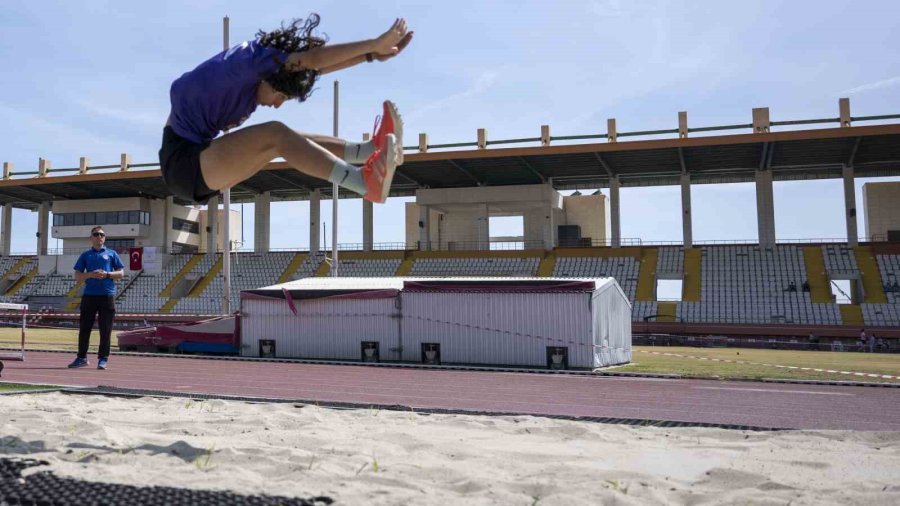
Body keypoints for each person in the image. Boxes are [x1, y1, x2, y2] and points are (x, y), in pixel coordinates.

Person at [159, 15, 413, 207]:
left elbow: (311, 67)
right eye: (281, 96)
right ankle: (361, 182)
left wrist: (370, 56)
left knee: (289, 139)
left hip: (199, 159)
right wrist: (374, 43)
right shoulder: (244, 66)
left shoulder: (264, 72)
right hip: (184, 164)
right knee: (276, 134)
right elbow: (311, 60)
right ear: (270, 78)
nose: (278, 104)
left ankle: (367, 150)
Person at [68, 226, 124, 370]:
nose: (100, 236)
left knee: (105, 329)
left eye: (102, 234)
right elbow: (77, 276)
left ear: (104, 237)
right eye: (96, 234)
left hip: (107, 295)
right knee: (85, 328)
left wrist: (107, 274)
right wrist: (90, 274)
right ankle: (81, 357)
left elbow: (121, 273)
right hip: (89, 296)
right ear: (91, 238)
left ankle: (103, 359)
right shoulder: (86, 255)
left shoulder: (112, 253)